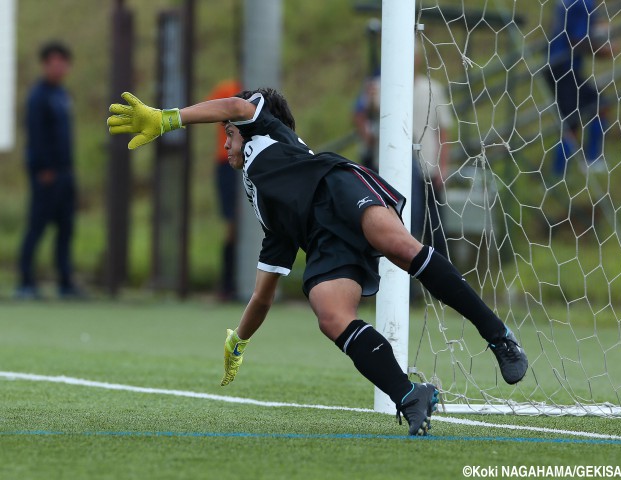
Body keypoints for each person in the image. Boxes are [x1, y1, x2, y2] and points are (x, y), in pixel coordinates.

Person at [107, 88, 528, 436]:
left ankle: (498, 335)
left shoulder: (267, 129)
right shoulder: (269, 212)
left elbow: (235, 106)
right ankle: (409, 394)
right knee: (330, 315)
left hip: (336, 186)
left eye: (229, 132)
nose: (226, 138)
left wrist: (168, 119)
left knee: (399, 247)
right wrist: (238, 340)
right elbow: (262, 296)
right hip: (321, 237)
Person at [16, 41, 81, 299]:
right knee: (37, 226)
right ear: (45, 65)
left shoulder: (62, 95)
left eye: (62, 62)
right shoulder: (38, 96)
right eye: (53, 62)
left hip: (65, 173)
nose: (58, 67)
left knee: (66, 228)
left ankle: (65, 282)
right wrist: (43, 168)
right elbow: (36, 136)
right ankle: (25, 282)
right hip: (46, 175)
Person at [545, 0, 615, 174]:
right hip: (563, 67)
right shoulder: (583, 3)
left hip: (557, 66)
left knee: (583, 115)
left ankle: (560, 173)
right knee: (592, 110)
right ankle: (588, 162)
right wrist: (603, 50)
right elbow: (577, 40)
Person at [412, 46, 452, 254]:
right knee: (407, 229)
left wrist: (442, 166)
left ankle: (442, 278)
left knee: (436, 230)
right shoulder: (380, 87)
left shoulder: (432, 88)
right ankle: (408, 285)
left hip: (428, 169)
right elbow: (363, 116)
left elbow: (443, 130)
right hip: (395, 175)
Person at [205, 79, 243, 301]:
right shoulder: (227, 89)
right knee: (233, 224)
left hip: (249, 162)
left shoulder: (262, 92)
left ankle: (238, 282)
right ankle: (228, 284)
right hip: (227, 165)